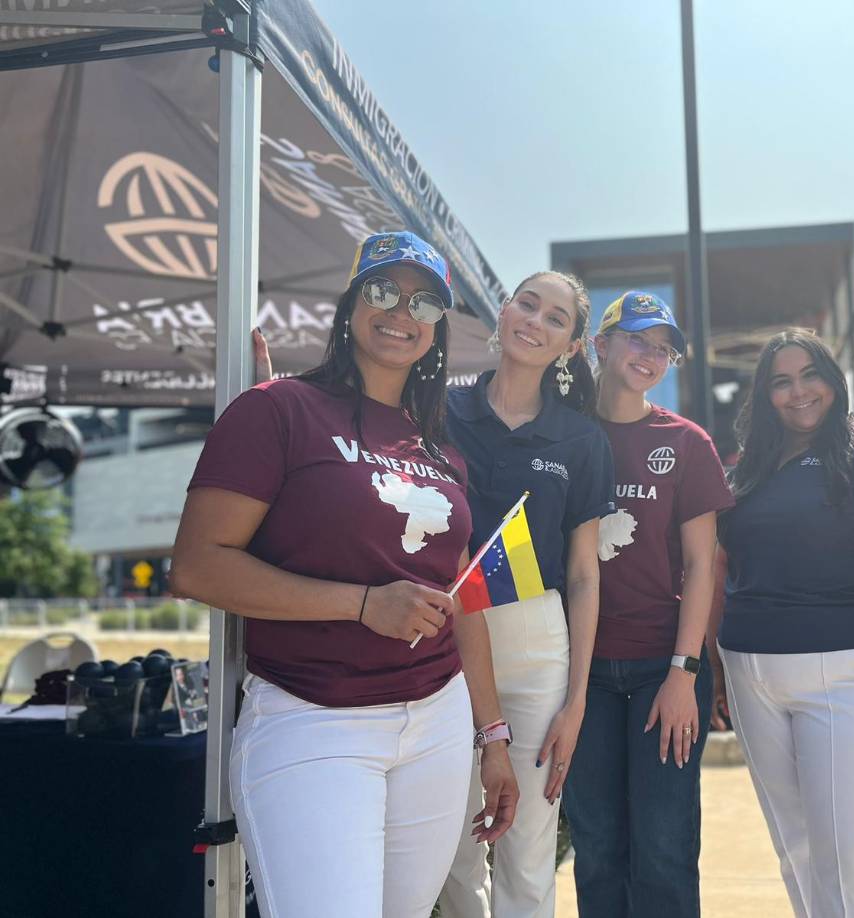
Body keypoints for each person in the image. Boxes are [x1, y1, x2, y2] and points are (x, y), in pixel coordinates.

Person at [171, 232, 518, 918]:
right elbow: (196, 565)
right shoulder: (278, 410)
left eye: (424, 301)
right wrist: (363, 604)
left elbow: (462, 600)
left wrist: (493, 737)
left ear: (437, 327)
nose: (401, 311)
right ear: (352, 302)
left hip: (437, 723)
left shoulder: (442, 450)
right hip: (314, 719)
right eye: (383, 290)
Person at [708, 328, 854, 918]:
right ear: (764, 396)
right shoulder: (749, 472)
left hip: (847, 675)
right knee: (798, 850)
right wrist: (713, 665)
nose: (798, 393)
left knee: (852, 855)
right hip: (751, 673)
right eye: (780, 382)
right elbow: (718, 568)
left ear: (834, 381)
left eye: (810, 375)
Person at [439, 271, 615, 918]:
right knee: (452, 844)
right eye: (527, 304)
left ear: (573, 346)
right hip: (445, 635)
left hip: (538, 644)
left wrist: (575, 701)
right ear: (504, 310)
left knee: (529, 845)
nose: (535, 321)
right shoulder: (437, 407)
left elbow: (585, 574)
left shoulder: (582, 439)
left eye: (556, 318)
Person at [563, 292, 734, 917]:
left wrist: (684, 673)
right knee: (598, 847)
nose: (651, 356)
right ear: (599, 345)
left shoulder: (685, 442)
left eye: (663, 349)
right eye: (637, 340)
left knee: (663, 850)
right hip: (581, 676)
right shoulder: (564, 432)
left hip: (663, 669)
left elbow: (701, 565)